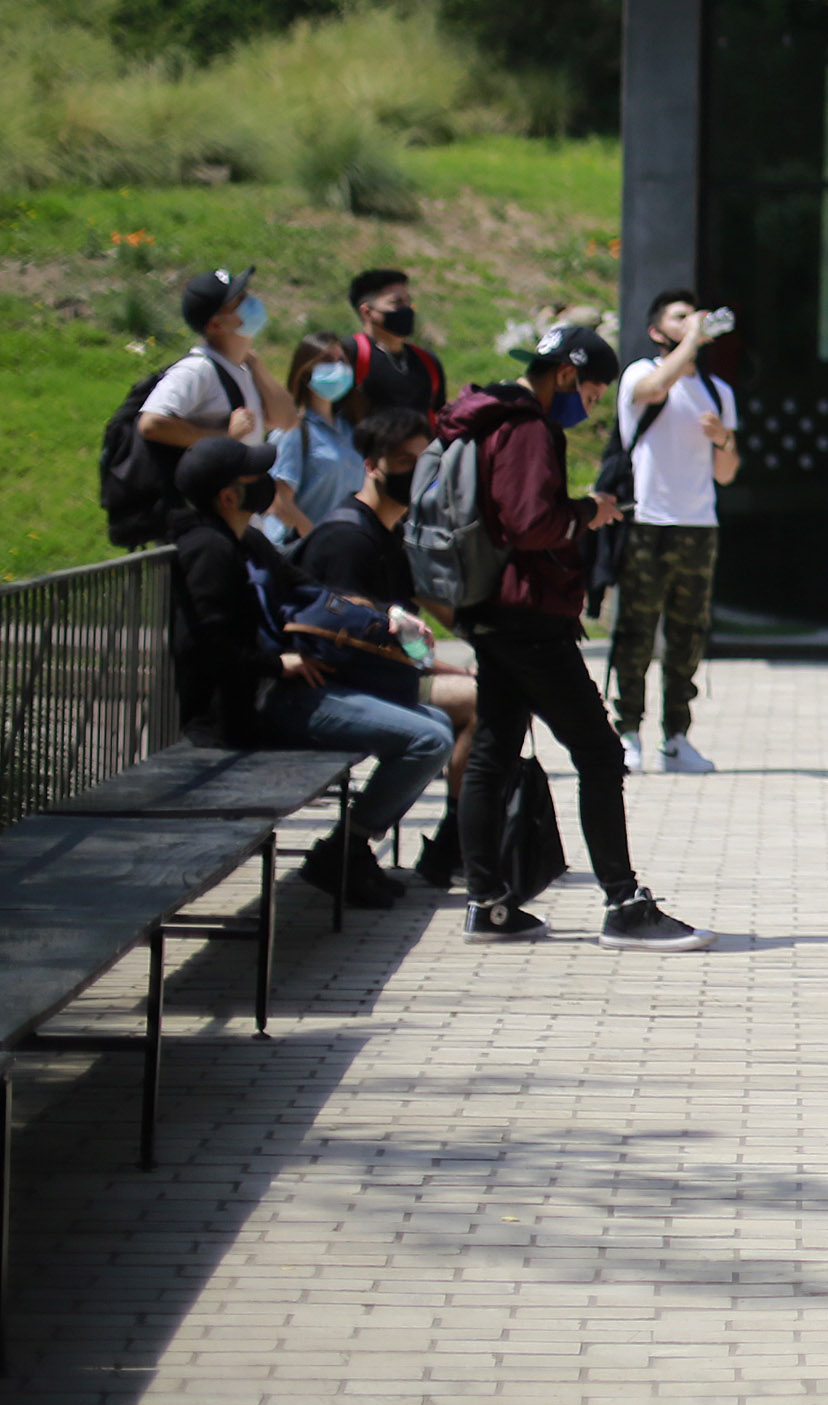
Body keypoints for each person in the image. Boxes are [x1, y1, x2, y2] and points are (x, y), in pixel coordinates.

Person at [438, 326, 714, 949]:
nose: (588, 407)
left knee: (492, 752)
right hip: (528, 616)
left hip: (492, 605)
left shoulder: (490, 418)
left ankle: (489, 903)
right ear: (566, 374)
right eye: (589, 393)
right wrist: (588, 511)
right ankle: (624, 904)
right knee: (599, 752)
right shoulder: (529, 428)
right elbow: (530, 522)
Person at [170, 436, 452, 907]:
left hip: (294, 683)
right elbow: (206, 644)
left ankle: (348, 851)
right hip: (254, 704)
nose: (267, 482)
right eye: (255, 475)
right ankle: (344, 851)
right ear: (228, 497)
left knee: (438, 723)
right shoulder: (208, 550)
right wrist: (277, 664)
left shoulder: (248, 541)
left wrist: (385, 616)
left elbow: (310, 590)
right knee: (429, 740)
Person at [297, 407, 479, 887]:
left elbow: (410, 627)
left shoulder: (391, 534)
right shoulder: (346, 539)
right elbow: (351, 643)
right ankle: (366, 845)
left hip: (382, 675)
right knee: (480, 702)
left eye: (423, 463)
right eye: (403, 462)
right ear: (371, 465)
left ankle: (454, 840)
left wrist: (455, 660)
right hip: (342, 684)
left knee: (489, 694)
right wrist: (446, 672)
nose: (415, 474)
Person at [611, 288, 742, 774]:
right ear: (656, 330)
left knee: (688, 636)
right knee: (637, 633)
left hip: (699, 526)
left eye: (694, 316)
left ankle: (677, 737)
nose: (691, 322)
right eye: (679, 317)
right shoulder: (641, 374)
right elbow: (652, 392)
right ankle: (627, 732)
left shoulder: (718, 391)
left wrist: (723, 439)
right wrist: (691, 340)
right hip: (648, 523)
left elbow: (727, 473)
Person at [138, 271, 295, 536]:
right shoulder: (197, 370)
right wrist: (224, 436)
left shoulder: (243, 368)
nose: (251, 303)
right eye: (239, 301)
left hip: (242, 522)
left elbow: (287, 419)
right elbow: (151, 424)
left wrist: (255, 364)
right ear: (214, 325)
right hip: (212, 527)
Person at [266, 329, 366, 547]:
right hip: (304, 551)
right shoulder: (293, 430)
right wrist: (318, 540)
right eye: (328, 360)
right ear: (306, 371)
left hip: (342, 548)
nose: (338, 367)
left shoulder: (350, 429)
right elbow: (279, 503)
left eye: (342, 360)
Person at [344, 267, 451, 421]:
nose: (407, 308)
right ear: (367, 312)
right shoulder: (349, 354)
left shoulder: (427, 361)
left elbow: (440, 417)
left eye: (408, 301)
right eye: (397, 302)